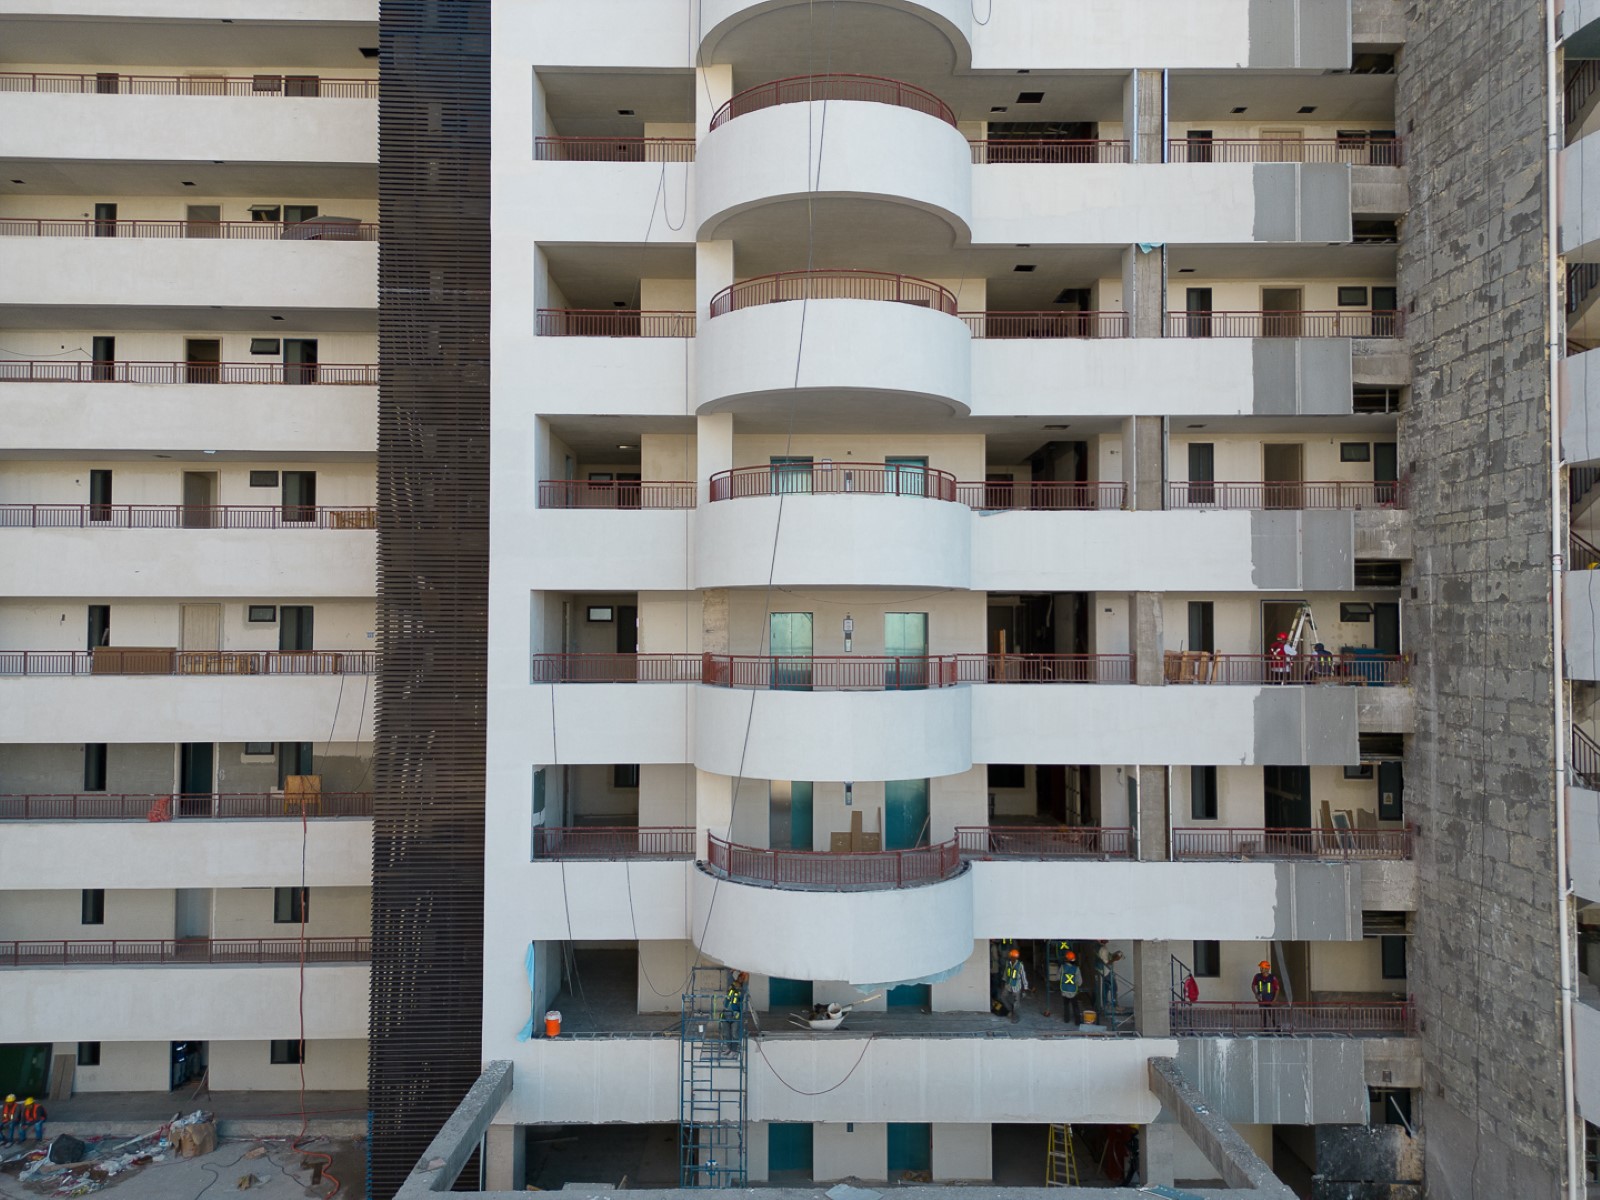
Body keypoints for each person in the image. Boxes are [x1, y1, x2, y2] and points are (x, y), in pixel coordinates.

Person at [1095, 941, 1124, 1020]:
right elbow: (1106, 962)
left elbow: (1107, 957)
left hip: (1103, 971)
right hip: (1106, 971)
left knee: (1106, 988)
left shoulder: (1101, 948)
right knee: (1114, 988)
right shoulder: (1103, 949)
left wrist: (1114, 955)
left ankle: (1105, 1005)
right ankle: (1114, 1005)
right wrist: (1115, 958)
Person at [1000, 947, 1029, 1024]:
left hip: (1017, 986)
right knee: (1002, 997)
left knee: (1016, 1003)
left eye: (1012, 956)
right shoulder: (1008, 963)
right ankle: (1011, 1009)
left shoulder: (1020, 965)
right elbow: (1005, 973)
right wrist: (1003, 981)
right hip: (1008, 985)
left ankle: (1015, 1017)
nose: (1011, 957)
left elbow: (1023, 976)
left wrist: (1025, 987)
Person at [721, 970, 749, 1048]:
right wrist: (734, 969)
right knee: (726, 1033)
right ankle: (729, 1048)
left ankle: (734, 1049)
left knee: (734, 1033)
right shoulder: (731, 984)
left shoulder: (743, 989)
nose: (740, 979)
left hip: (735, 1014)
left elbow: (747, 977)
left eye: (742, 978)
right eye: (739, 977)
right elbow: (729, 974)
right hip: (726, 1013)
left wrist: (744, 972)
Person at [1252, 960, 1282, 1030]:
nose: (1261, 969)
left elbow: (1277, 989)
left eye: (1262, 968)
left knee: (1272, 1013)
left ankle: (1276, 1027)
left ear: (1267, 969)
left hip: (1270, 999)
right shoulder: (1257, 976)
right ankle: (1265, 1027)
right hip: (1261, 1000)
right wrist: (1256, 994)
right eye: (1261, 967)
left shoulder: (1272, 978)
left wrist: (1274, 1000)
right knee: (1263, 1014)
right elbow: (1253, 985)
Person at [1058, 949, 1085, 1027]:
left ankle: (1066, 1019)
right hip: (1073, 991)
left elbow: (1058, 977)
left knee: (1066, 1005)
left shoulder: (1062, 967)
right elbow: (1079, 982)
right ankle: (1077, 1021)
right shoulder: (1076, 969)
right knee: (1075, 1005)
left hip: (1064, 990)